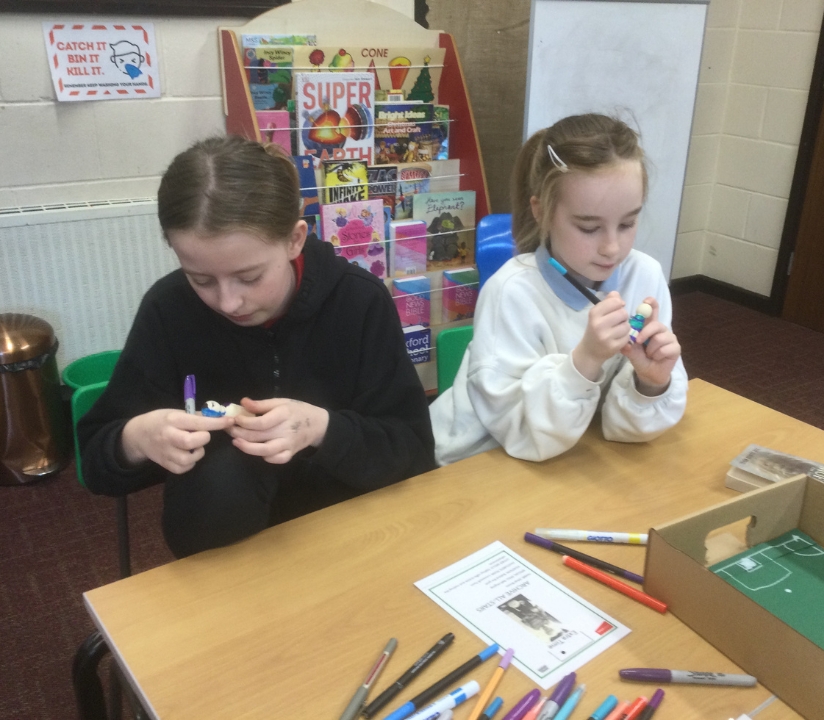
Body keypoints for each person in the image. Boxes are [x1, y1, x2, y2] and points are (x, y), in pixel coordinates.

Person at [78, 135, 435, 558]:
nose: (228, 302)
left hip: (352, 536)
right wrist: (136, 439)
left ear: (295, 239)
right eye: (201, 279)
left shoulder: (359, 302)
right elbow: (97, 464)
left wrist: (320, 428)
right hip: (223, 545)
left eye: (249, 278)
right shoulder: (168, 310)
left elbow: (411, 451)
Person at [431, 114, 687, 465]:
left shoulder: (645, 275)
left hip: (571, 454)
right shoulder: (511, 291)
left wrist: (652, 384)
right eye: (588, 227)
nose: (612, 247)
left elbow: (623, 430)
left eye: (627, 223)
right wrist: (585, 361)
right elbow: (521, 436)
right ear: (542, 211)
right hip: (479, 459)